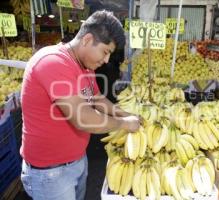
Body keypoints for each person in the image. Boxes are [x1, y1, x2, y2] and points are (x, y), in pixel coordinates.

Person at [20, 10, 141, 200]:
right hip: (51, 174)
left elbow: (98, 99)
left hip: (76, 161)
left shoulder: (84, 67)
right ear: (87, 39)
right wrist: (124, 124)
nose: (106, 60)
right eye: (105, 51)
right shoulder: (53, 62)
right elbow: (83, 118)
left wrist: (125, 114)